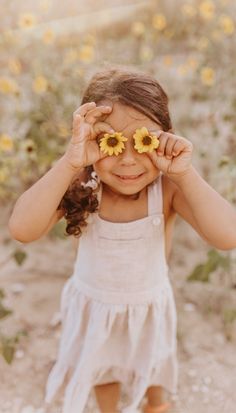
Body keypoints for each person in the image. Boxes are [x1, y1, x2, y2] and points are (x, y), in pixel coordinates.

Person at [8, 66, 236, 413]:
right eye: (110, 141)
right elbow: (22, 229)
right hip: (95, 310)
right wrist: (71, 162)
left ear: (166, 138)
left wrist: (185, 172)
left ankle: (156, 406)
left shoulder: (169, 189)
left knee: (156, 374)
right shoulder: (83, 184)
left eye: (144, 140)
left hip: (149, 311)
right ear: (91, 140)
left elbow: (228, 236)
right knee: (105, 373)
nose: (127, 159)